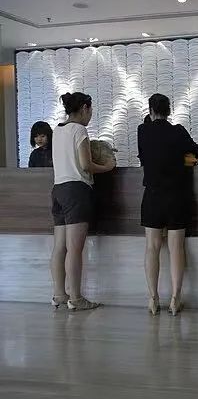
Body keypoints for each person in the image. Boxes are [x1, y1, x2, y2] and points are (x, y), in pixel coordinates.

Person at [138, 93, 198, 316]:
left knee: (152, 247)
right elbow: (196, 157)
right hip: (177, 195)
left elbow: (144, 158)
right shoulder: (178, 131)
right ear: (169, 111)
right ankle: (175, 298)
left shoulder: (142, 131)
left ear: (150, 110)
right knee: (176, 248)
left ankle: (153, 298)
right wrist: (181, 163)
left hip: (152, 195)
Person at [50, 93, 115, 311]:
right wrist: (107, 167)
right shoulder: (79, 130)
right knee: (75, 249)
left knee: (60, 247)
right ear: (85, 108)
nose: (91, 115)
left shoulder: (57, 130)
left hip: (58, 189)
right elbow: (86, 165)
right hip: (76, 190)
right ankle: (76, 298)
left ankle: (60, 294)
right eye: (91, 110)